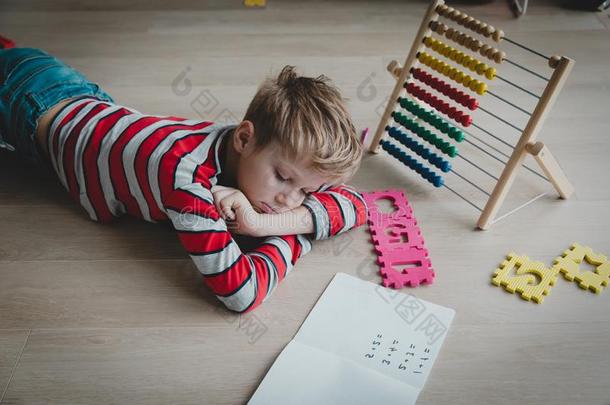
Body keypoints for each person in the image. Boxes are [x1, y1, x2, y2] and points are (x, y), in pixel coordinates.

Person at [0, 47, 368, 312]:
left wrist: (265, 223)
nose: (292, 199)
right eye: (283, 178)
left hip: (82, 99)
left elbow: (357, 204)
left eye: (309, 191)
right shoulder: (186, 182)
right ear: (243, 138)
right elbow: (242, 292)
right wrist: (296, 233)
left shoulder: (267, 154)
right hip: (26, 106)